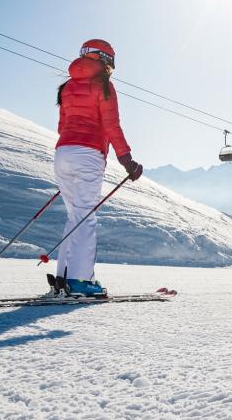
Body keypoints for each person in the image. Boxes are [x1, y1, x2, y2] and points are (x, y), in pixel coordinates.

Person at [51, 39, 143, 296]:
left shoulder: (67, 87)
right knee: (85, 218)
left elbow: (63, 126)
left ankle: (63, 278)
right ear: (105, 59)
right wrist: (127, 161)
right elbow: (112, 126)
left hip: (63, 153)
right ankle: (80, 280)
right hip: (88, 154)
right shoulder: (104, 85)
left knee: (75, 216)